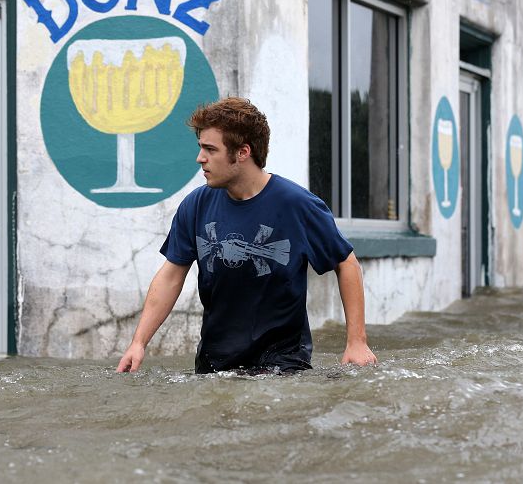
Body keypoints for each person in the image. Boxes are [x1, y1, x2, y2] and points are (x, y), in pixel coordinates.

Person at [116, 97, 377, 374]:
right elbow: (171, 276)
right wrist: (139, 342)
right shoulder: (196, 205)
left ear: (242, 152)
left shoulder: (296, 205)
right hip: (214, 363)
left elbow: (346, 263)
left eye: (210, 149)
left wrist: (357, 342)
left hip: (283, 365)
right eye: (201, 147)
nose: (200, 158)